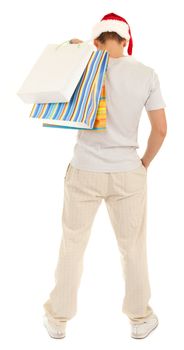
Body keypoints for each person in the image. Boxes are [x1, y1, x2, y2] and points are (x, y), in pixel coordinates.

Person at [43, 12, 167, 340]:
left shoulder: (83, 66)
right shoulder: (146, 74)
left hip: (84, 169)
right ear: (126, 40)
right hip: (128, 171)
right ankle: (140, 320)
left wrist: (75, 48)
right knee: (133, 248)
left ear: (96, 40)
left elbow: (52, 71)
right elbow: (161, 130)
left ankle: (57, 320)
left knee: (72, 245)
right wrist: (144, 163)